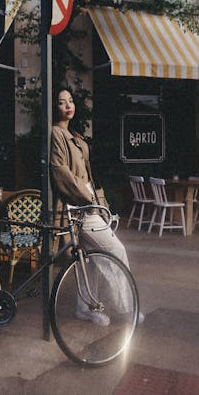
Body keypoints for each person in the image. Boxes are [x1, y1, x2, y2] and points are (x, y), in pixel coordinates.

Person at [49, 86, 143, 326]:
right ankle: (127, 307)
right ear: (54, 107)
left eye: (70, 100)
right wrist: (88, 199)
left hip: (88, 206)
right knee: (115, 251)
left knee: (91, 259)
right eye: (61, 102)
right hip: (78, 207)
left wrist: (98, 202)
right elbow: (61, 172)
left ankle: (86, 308)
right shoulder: (56, 134)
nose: (68, 105)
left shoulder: (75, 135)